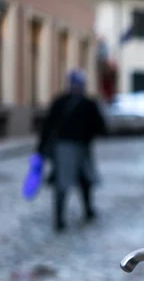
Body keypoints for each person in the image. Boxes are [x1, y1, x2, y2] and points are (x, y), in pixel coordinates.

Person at [37, 69, 107, 232]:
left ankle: (80, 212)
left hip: (74, 148)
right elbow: (101, 127)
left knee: (81, 180)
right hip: (70, 148)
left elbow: (47, 126)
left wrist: (41, 148)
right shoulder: (77, 103)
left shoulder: (76, 102)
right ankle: (63, 217)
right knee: (69, 182)